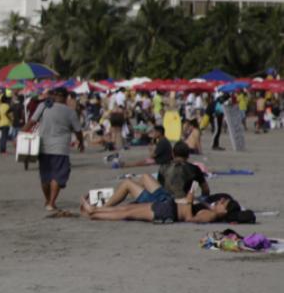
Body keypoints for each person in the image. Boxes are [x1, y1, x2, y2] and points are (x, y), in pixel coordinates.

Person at [30, 88, 85, 212]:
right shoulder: (70, 112)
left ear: (54, 96)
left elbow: (31, 122)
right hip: (60, 148)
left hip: (43, 147)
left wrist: (21, 135)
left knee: (45, 176)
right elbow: (78, 130)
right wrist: (81, 142)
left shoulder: (43, 106)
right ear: (66, 98)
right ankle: (52, 202)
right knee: (58, 175)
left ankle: (47, 200)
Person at [82, 190, 243, 224]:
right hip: (167, 207)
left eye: (223, 204)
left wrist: (188, 201)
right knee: (127, 209)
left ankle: (95, 213)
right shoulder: (209, 209)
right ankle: (95, 211)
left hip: (167, 212)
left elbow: (190, 219)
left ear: (225, 211)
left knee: (128, 213)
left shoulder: (211, 215)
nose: (220, 203)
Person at [0, 92, 14, 157]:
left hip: (0, 123)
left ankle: (2, 150)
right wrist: (11, 118)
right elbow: (8, 114)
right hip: (6, 123)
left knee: (3, 137)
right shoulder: (7, 106)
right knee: (4, 138)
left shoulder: (0, 106)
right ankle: (3, 151)